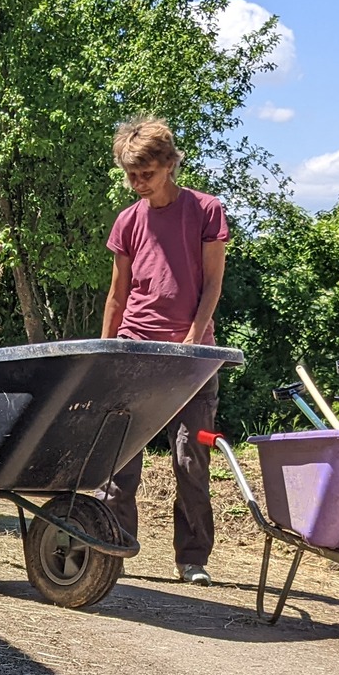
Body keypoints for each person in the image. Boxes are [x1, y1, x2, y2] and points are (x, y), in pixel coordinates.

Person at [100, 115, 229, 585]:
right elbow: (118, 292)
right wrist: (105, 349)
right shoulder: (128, 221)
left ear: (170, 164)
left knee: (190, 460)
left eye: (146, 174)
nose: (137, 183)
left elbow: (212, 282)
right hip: (136, 346)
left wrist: (195, 339)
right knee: (120, 453)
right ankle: (113, 542)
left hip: (192, 354)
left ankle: (192, 558)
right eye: (131, 175)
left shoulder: (206, 210)